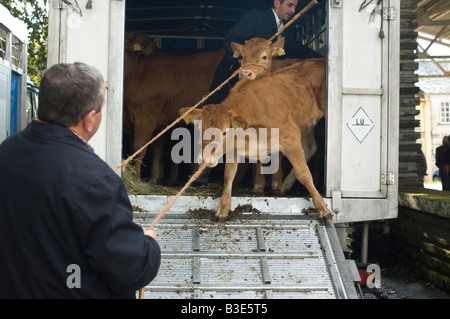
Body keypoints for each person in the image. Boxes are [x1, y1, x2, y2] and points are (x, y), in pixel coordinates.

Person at [0, 62, 161, 298]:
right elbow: (131, 270)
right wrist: (149, 246)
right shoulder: (95, 179)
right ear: (90, 119)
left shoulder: (6, 152)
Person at [193, 0, 321, 186]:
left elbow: (296, 49)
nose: (293, 11)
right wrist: (241, 61)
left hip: (258, 92)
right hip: (232, 83)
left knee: (258, 131)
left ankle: (259, 182)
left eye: (295, 7)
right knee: (216, 126)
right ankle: (199, 178)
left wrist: (323, 60)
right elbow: (230, 40)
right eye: (290, 5)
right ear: (277, 3)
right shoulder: (256, 17)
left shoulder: (286, 29)